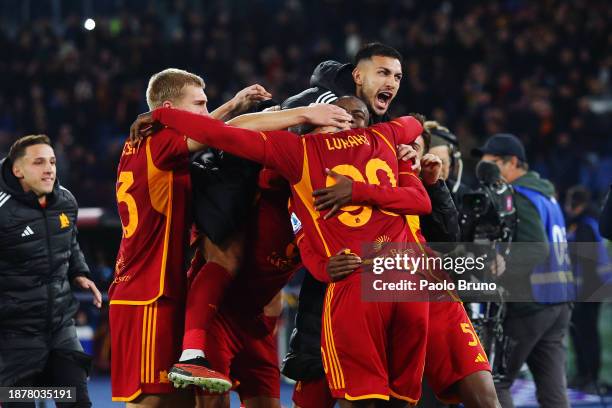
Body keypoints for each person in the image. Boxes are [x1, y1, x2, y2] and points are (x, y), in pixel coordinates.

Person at [130, 104, 432, 406]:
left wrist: (163, 114)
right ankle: (192, 349)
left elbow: (221, 134)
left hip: (266, 320)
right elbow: (226, 134)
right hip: (222, 315)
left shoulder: (307, 172)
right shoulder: (358, 144)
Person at [110, 68, 349, 406]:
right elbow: (222, 133)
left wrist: (235, 104)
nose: (206, 114)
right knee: (152, 402)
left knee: (175, 401)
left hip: (149, 286)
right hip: (148, 290)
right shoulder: (160, 141)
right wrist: (303, 113)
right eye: (200, 104)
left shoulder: (148, 142)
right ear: (168, 108)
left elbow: (208, 127)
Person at [0, 134, 102, 407]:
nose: (49, 169)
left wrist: (79, 272)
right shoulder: (2, 209)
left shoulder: (65, 201)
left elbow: (70, 242)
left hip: (60, 328)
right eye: (39, 162)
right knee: (18, 402)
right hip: (14, 335)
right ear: (17, 169)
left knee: (76, 401)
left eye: (53, 162)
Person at [473, 133, 573, 408]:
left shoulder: (519, 195)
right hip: (560, 301)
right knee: (553, 390)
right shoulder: (546, 194)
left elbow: (535, 248)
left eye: (492, 164)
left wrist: (502, 265)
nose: (487, 172)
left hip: (532, 302)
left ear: (512, 163)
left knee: (496, 382)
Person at [565, 185, 611, 392]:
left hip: (589, 289)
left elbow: (586, 264)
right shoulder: (585, 222)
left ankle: (591, 376)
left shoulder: (587, 224)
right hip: (587, 288)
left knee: (588, 334)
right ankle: (584, 374)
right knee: (581, 333)